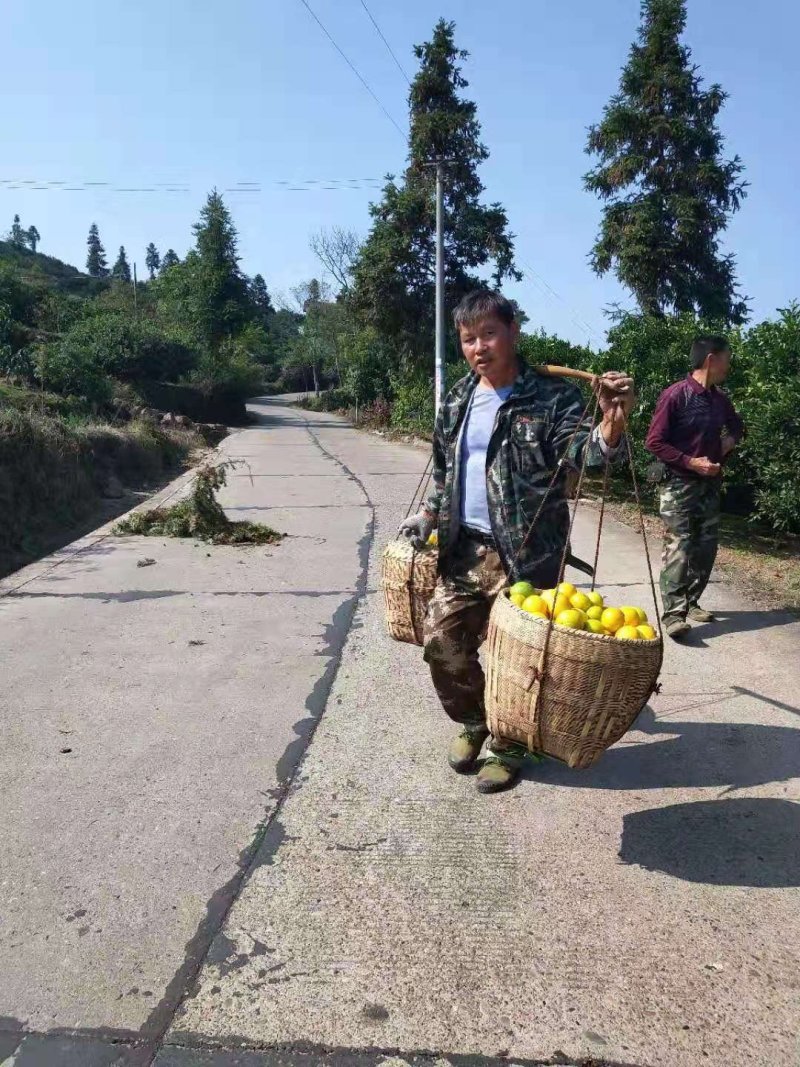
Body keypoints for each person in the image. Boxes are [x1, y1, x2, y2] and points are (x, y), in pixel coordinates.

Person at [398, 290, 635, 794]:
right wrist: (427, 514)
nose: (478, 347)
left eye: (488, 334)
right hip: (464, 551)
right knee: (443, 644)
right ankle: (475, 722)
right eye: (467, 339)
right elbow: (444, 470)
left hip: (530, 556)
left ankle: (508, 747)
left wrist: (611, 422)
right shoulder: (458, 399)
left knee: (522, 664)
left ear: (513, 333)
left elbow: (586, 457)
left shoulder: (552, 397)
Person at [645, 335, 744, 641]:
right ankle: (674, 615)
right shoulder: (676, 395)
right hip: (678, 484)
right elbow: (654, 442)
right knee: (680, 545)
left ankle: (691, 601)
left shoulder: (719, 399)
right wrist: (691, 462)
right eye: (726, 358)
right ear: (711, 359)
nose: (729, 366)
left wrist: (729, 441)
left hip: (709, 485)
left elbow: (738, 426)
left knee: (706, 547)